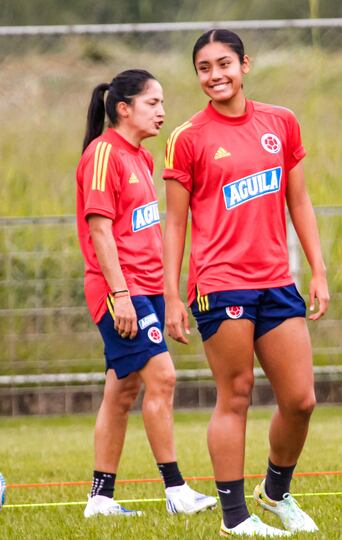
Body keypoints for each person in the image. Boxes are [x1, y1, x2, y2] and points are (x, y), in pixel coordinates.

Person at [163, 29, 329, 537]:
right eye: (204, 68)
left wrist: (318, 270)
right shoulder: (187, 137)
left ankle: (275, 493)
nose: (215, 75)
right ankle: (235, 518)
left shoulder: (281, 122)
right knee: (235, 395)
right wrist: (172, 295)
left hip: (277, 280)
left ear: (245, 65)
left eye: (224, 64)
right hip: (220, 282)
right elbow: (175, 223)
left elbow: (297, 201)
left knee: (301, 400)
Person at [76, 69, 217, 518]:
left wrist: (166, 296)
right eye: (152, 103)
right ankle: (176, 490)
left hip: (146, 291)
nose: (161, 111)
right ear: (124, 108)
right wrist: (121, 296)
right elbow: (99, 231)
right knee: (164, 378)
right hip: (122, 292)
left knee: (121, 392)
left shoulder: (142, 158)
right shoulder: (103, 153)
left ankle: (100, 499)